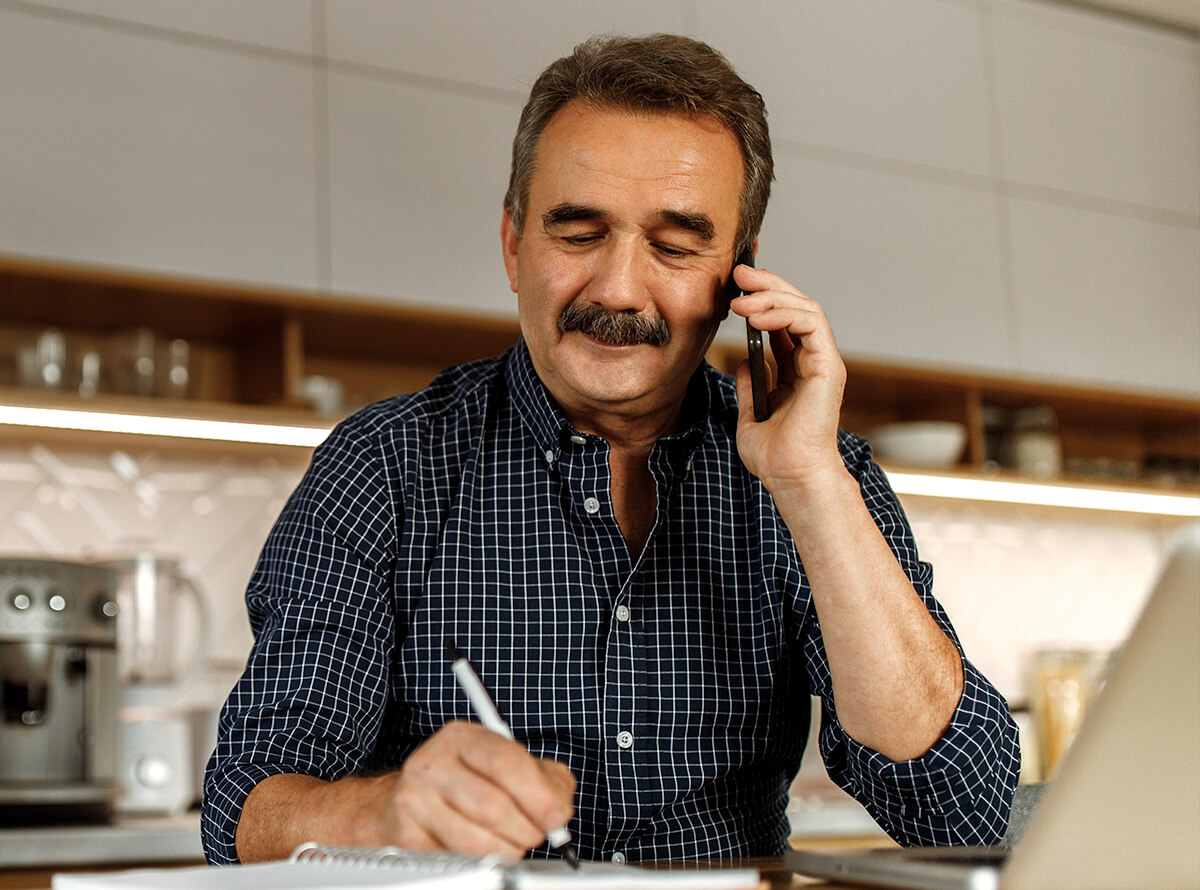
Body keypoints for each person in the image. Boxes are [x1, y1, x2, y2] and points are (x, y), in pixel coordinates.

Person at [202, 33, 1019, 866]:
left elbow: (964, 813)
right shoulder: (379, 465)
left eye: (674, 245)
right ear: (515, 246)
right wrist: (382, 816)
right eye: (580, 233)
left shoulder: (819, 476)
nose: (620, 289)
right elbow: (244, 810)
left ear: (740, 276)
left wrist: (810, 480)